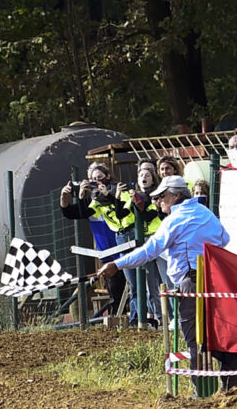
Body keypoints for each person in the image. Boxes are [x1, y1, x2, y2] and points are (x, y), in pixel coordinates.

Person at [97, 175, 237, 390]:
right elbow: (224, 239)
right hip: (217, 281)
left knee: (195, 338)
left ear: (176, 195)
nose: (158, 201)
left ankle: (202, 393)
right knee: (220, 332)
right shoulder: (206, 214)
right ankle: (230, 387)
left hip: (191, 282)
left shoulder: (175, 219)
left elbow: (149, 251)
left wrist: (117, 264)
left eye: (161, 196)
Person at [60, 161, 127, 319]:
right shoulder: (93, 202)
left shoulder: (118, 192)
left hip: (126, 248)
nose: (95, 182)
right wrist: (66, 196)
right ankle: (120, 321)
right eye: (91, 179)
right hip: (108, 254)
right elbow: (73, 213)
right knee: (116, 292)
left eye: (99, 178)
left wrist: (108, 195)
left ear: (108, 177)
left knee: (133, 288)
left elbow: (122, 208)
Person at [114, 161, 167, 327]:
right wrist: (117, 197)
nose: (144, 177)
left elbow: (149, 216)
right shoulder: (134, 195)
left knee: (166, 280)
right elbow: (120, 213)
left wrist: (140, 205)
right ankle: (157, 318)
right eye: (141, 174)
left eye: (148, 174)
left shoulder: (156, 195)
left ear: (153, 179)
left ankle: (171, 317)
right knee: (148, 283)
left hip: (160, 240)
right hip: (145, 242)